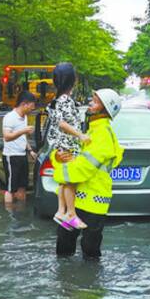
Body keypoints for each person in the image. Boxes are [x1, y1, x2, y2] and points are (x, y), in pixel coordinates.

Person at [52, 88, 124, 258]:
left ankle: (84, 283)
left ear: (105, 109)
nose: (90, 103)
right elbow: (67, 156)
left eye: (96, 101)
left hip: (92, 202)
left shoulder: (102, 135)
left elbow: (82, 168)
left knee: (89, 251)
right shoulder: (87, 130)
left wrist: (60, 175)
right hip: (76, 201)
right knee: (65, 247)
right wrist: (58, 156)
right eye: (92, 99)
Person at [47, 63, 91, 229]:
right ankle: (71, 214)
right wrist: (80, 135)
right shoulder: (65, 100)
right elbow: (62, 123)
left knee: (64, 182)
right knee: (70, 181)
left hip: (62, 146)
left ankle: (61, 212)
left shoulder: (57, 100)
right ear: (72, 80)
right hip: (68, 146)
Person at [2, 91, 38, 204]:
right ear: (24, 104)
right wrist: (23, 130)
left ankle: (21, 213)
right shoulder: (10, 117)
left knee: (23, 186)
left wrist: (30, 150)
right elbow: (6, 137)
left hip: (22, 155)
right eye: (31, 107)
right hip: (11, 156)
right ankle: (10, 215)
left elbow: (23, 138)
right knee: (10, 189)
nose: (32, 110)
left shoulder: (25, 117)